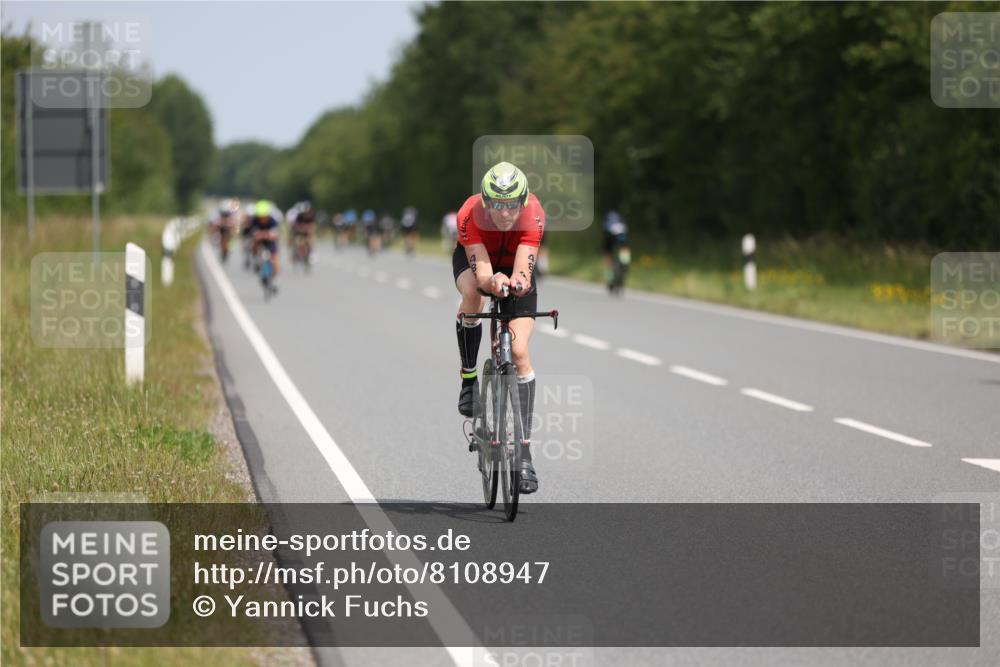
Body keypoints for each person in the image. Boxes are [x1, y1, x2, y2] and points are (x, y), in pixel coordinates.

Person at [453, 161, 544, 494]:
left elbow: (523, 271)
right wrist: (493, 281)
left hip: (513, 263)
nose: (504, 213)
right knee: (473, 294)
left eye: (511, 205)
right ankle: (468, 379)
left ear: (523, 201)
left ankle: (524, 454)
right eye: (497, 204)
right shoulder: (469, 213)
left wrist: (516, 283)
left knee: (518, 351)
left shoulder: (534, 213)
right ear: (485, 201)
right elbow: (482, 275)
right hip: (480, 263)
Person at [248, 199, 282, 283]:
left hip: (270, 241)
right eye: (260, 217)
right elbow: (253, 234)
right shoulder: (254, 220)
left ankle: (275, 277)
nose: (262, 219)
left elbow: (275, 234)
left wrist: (265, 235)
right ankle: (256, 259)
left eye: (265, 216)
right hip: (259, 241)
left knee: (275, 258)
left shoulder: (273, 221)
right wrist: (263, 235)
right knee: (254, 243)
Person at [602, 210, 630, 292]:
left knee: (607, 256)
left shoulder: (607, 218)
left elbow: (604, 229)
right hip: (621, 235)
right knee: (624, 249)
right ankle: (625, 264)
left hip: (609, 236)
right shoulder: (621, 219)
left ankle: (609, 278)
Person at [290, 201, 317, 267]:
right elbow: (296, 225)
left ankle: (311, 253)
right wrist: (301, 229)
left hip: (308, 232)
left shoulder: (311, 215)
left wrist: (310, 229)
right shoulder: (299, 216)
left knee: (311, 241)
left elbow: (313, 224)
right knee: (298, 242)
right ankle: (298, 254)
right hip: (300, 232)